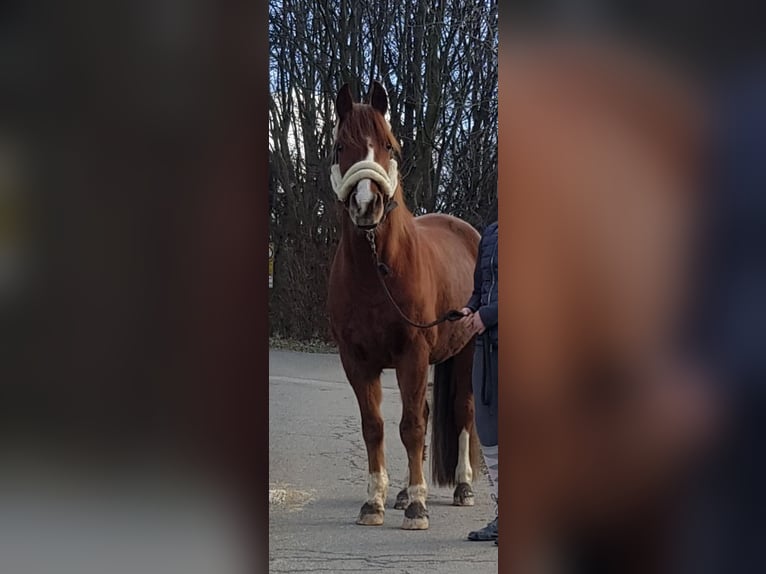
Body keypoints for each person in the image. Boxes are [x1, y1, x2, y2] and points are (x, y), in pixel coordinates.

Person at [460, 212, 498, 544]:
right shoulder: (491, 233)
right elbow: (480, 288)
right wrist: (470, 309)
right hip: (487, 350)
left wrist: (487, 315)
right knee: (488, 434)